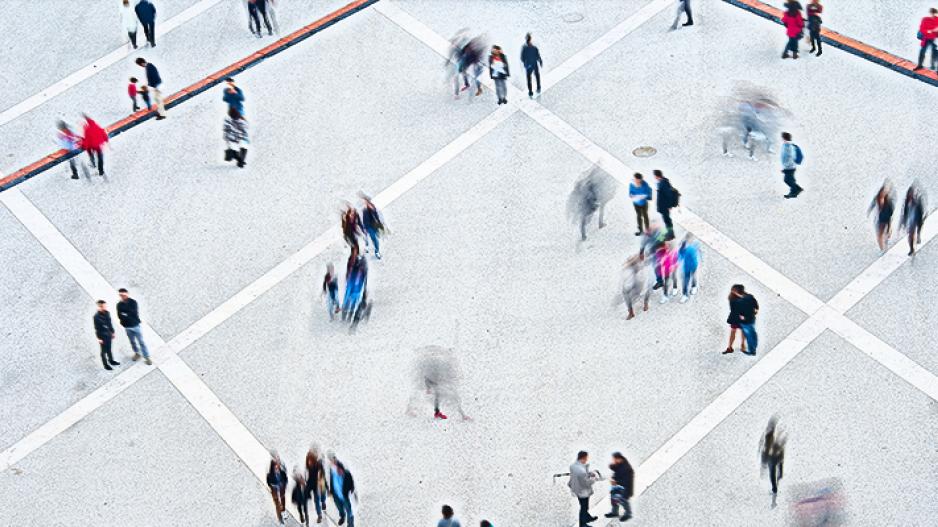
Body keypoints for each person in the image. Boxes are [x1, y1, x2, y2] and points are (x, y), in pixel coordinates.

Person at [116, 288, 152, 365]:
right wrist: (125, 315)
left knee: (141, 342)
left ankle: (147, 357)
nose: (122, 297)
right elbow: (119, 315)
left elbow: (134, 313)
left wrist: (125, 314)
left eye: (124, 295)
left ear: (127, 294)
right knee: (132, 342)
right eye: (121, 295)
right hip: (127, 327)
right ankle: (137, 353)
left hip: (135, 326)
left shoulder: (133, 302)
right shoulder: (119, 305)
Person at [568, 451, 600, 526]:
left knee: (584, 506)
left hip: (577, 489)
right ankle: (582, 524)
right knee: (584, 507)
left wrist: (588, 472)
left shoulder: (573, 466)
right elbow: (586, 483)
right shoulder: (581, 471)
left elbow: (580, 475)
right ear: (583, 458)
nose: (587, 459)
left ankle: (587, 517)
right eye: (586, 458)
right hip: (583, 491)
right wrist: (594, 478)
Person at [725, 285, 758, 355]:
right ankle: (731, 346)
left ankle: (741, 345)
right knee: (735, 331)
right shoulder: (732, 298)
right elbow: (733, 309)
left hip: (740, 317)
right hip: (737, 317)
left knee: (742, 332)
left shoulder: (743, 297)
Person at [759, 416, 786, 497]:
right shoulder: (771, 435)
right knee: (775, 469)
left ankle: (775, 487)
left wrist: (763, 461)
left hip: (772, 456)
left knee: (772, 473)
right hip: (776, 455)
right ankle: (779, 475)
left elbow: (765, 447)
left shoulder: (769, 435)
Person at [617, 254, 650, 320]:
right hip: (632, 283)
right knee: (626, 294)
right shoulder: (629, 270)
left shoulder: (642, 268)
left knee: (647, 288)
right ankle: (631, 311)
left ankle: (645, 304)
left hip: (639, 283)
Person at [328, 452, 355, 527]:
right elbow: (331, 480)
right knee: (340, 508)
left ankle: (350, 525)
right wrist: (331, 491)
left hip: (344, 494)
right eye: (330, 460)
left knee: (349, 511)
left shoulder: (344, 470)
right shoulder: (331, 469)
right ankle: (342, 516)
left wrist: (351, 488)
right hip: (336, 495)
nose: (332, 461)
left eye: (333, 459)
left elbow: (350, 479)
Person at [605, 452, 634, 522]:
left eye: (614, 459)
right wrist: (612, 466)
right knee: (614, 499)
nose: (613, 461)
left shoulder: (626, 469)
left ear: (618, 459)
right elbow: (616, 468)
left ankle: (628, 514)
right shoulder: (621, 462)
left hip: (624, 488)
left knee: (623, 501)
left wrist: (616, 482)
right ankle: (614, 512)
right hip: (617, 486)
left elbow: (626, 481)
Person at [868, 181, 895, 253]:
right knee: (879, 233)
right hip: (879, 219)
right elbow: (873, 204)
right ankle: (882, 248)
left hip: (886, 219)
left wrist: (889, 224)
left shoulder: (888, 202)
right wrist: (869, 211)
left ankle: (884, 246)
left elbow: (890, 213)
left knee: (885, 233)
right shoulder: (877, 198)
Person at [93, 300, 120, 370]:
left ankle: (111, 360)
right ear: (99, 307)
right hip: (102, 336)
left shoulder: (107, 313)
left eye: (105, 306)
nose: (104, 307)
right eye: (102, 306)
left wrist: (113, 332)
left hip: (108, 335)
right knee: (103, 352)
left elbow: (110, 323)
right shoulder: (96, 317)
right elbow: (96, 328)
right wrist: (99, 338)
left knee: (109, 349)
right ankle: (105, 365)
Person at [901, 184, 927, 256]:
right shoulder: (907, 202)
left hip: (917, 219)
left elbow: (921, 210)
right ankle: (912, 249)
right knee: (910, 235)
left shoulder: (917, 202)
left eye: (911, 195)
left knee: (917, 230)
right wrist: (903, 221)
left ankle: (918, 236)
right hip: (910, 221)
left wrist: (922, 217)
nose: (910, 196)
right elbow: (904, 212)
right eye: (909, 195)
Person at [306, 445, 329, 523]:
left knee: (322, 494)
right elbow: (308, 475)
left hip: (321, 482)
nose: (309, 462)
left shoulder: (319, 463)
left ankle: (323, 502)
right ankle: (319, 515)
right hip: (314, 484)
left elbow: (323, 474)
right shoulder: (309, 463)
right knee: (316, 500)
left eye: (310, 461)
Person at [360, 193, 386, 259]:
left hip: (373, 227)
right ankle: (367, 247)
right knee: (366, 238)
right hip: (366, 227)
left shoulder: (374, 208)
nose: (365, 203)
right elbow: (361, 219)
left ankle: (377, 252)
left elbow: (379, 216)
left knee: (375, 239)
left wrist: (382, 223)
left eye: (366, 202)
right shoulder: (363, 210)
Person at [653, 170, 677, 240]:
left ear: (656, 176)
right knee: (666, 220)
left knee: (667, 220)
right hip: (664, 206)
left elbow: (668, 195)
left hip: (665, 206)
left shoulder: (663, 183)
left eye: (654, 176)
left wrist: (669, 206)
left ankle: (671, 235)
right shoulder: (662, 182)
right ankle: (669, 233)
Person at [678, 233, 700, 304]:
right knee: (685, 281)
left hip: (693, 265)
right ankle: (685, 294)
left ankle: (694, 287)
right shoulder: (684, 245)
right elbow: (680, 254)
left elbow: (697, 253)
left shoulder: (695, 244)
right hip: (686, 266)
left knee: (693, 277)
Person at [779, 132, 803, 198]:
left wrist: (786, 167)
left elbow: (789, 157)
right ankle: (796, 190)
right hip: (789, 166)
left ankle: (795, 191)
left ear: (784, 138)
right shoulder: (787, 145)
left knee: (787, 180)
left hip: (790, 167)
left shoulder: (788, 146)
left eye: (782, 137)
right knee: (790, 180)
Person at [266, 452, 288, 525]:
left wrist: (284, 485)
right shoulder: (270, 475)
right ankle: (281, 521)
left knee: (283, 500)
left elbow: (285, 478)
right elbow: (268, 482)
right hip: (275, 492)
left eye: (278, 464)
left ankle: (284, 511)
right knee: (277, 505)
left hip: (281, 490)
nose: (277, 466)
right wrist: (272, 488)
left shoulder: (282, 471)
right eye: (276, 465)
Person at [521, 33, 542, 98]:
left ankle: (530, 91)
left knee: (529, 78)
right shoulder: (534, 47)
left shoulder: (524, 48)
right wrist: (540, 61)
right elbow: (537, 55)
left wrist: (525, 63)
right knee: (537, 76)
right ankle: (538, 87)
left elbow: (522, 58)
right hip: (534, 64)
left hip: (528, 65)